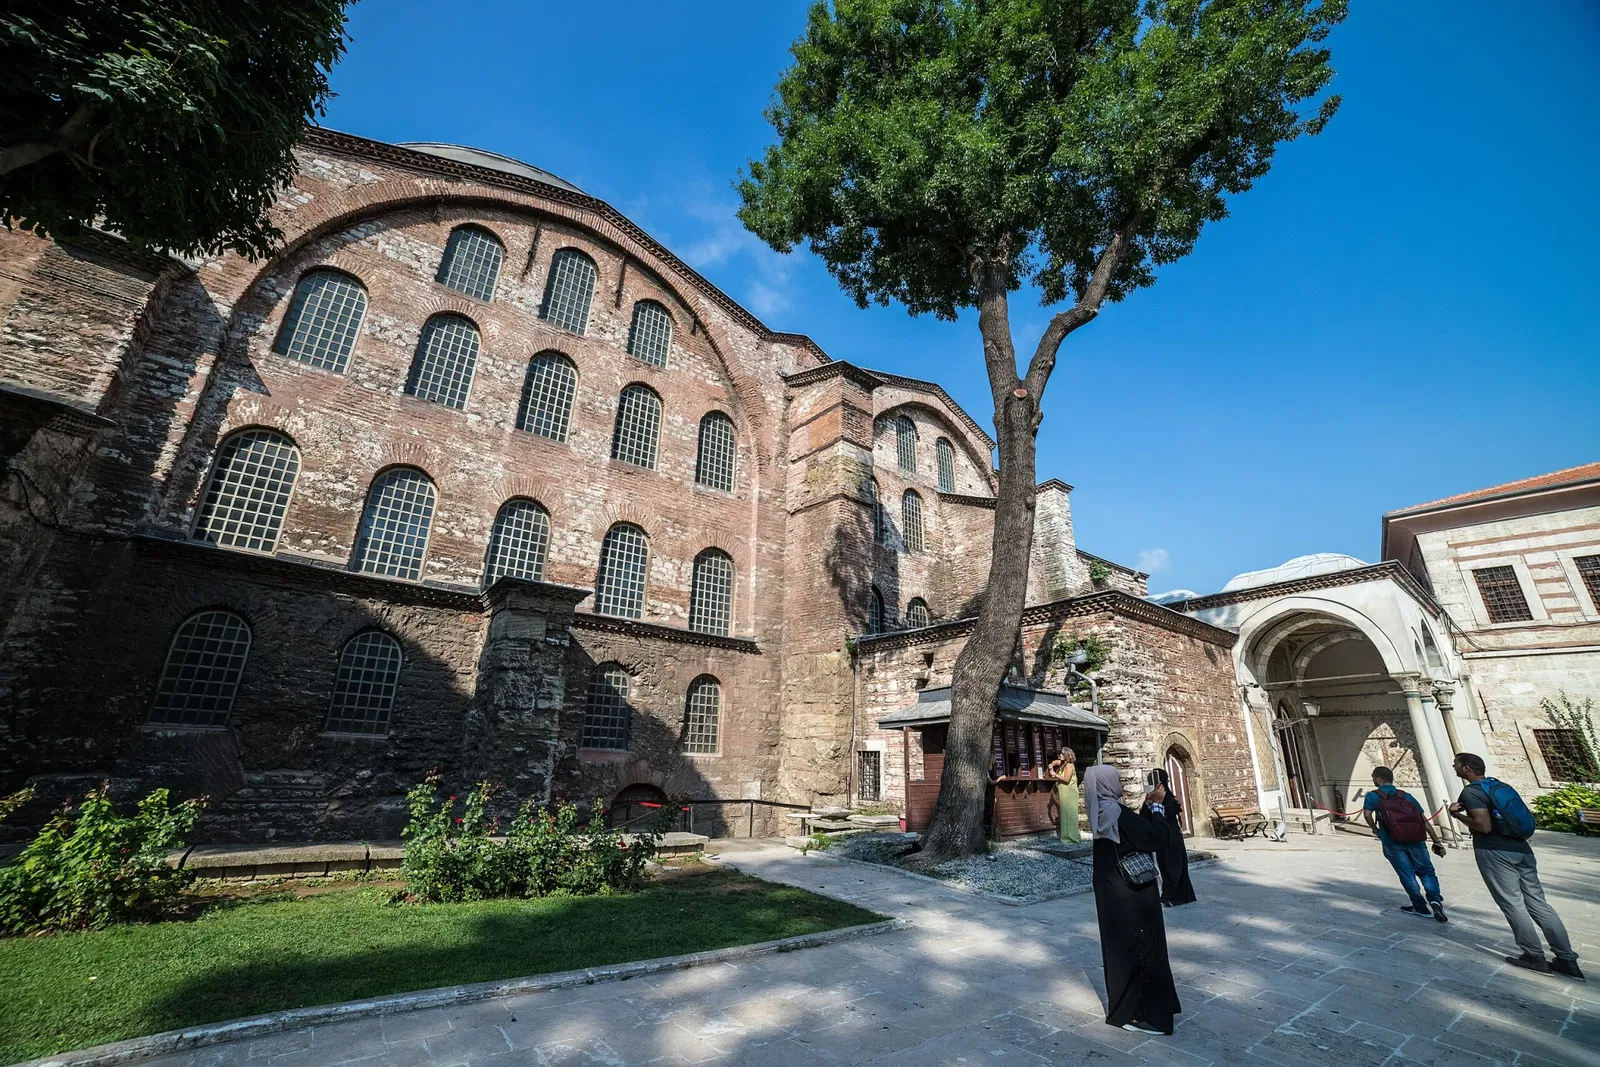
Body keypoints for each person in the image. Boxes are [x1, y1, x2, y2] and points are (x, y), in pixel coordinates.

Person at [1449, 753, 1584, 979]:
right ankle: (1567, 958)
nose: (1454, 766)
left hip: (1495, 851)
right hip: (1521, 849)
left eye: (1456, 764)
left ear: (1467, 769)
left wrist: (1457, 815)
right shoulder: (1499, 786)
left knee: (1512, 903)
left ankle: (1533, 955)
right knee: (1539, 902)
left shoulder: (1471, 791)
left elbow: (1483, 826)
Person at [1085, 763, 1182, 1036]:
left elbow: (1131, 835)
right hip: (1134, 897)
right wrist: (1159, 808)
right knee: (1143, 952)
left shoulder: (1101, 810)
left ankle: (1127, 1008)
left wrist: (1145, 807)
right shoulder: (1117, 812)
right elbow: (1155, 838)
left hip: (1112, 894)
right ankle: (1143, 1013)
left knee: (1120, 954)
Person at [1360, 766, 1448, 922]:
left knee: (1406, 874)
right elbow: (1423, 820)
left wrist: (1375, 829)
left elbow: (1367, 815)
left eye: (1373, 777)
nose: (1373, 779)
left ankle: (1420, 906)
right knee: (1426, 871)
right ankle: (1435, 900)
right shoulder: (1406, 796)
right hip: (1416, 840)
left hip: (1392, 842)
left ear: (1379, 779)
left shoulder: (1373, 796)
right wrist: (1436, 840)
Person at [1140, 768, 1197, 907]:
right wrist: (1149, 802)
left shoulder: (1168, 798)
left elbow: (1167, 814)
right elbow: (1145, 818)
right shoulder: (1152, 799)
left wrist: (1156, 804)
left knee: (1174, 866)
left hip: (1172, 838)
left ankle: (1172, 896)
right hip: (1162, 838)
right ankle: (1175, 895)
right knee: (1165, 867)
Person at [1047, 747, 1081, 843]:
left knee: (1070, 814)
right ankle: (1066, 837)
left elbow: (1066, 779)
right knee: (1064, 814)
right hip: (1064, 793)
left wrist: (1055, 774)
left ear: (1066, 755)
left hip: (1069, 793)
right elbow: (1055, 762)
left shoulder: (1069, 766)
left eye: (1062, 754)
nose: (1060, 755)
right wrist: (1051, 765)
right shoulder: (1064, 763)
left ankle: (1072, 838)